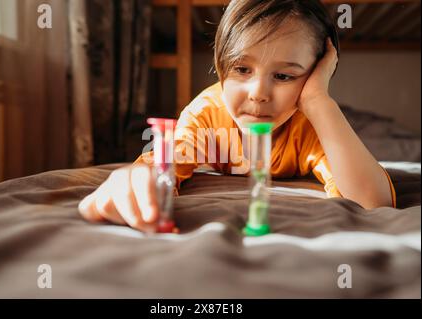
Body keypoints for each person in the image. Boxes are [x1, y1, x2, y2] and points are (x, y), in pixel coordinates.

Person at [78, 0, 396, 232]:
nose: (258, 93)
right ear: (220, 67)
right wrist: (132, 181)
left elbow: (372, 200)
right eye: (241, 69)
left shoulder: (310, 124)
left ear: (314, 77)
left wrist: (318, 102)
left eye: (284, 76)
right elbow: (161, 167)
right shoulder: (207, 115)